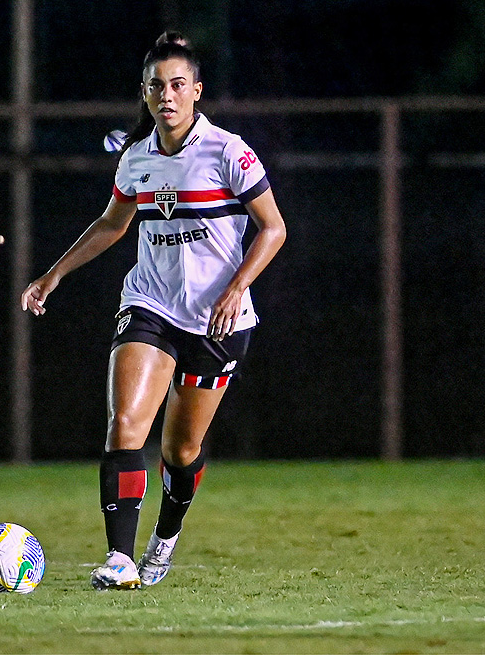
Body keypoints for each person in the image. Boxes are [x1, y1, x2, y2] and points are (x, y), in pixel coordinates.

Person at [20, 31, 287, 590]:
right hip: (150, 304)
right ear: (144, 95)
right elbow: (113, 225)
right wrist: (54, 273)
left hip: (216, 321)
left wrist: (237, 287)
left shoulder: (228, 152)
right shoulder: (136, 158)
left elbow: (274, 228)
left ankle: (164, 537)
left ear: (197, 92)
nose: (166, 95)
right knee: (126, 423)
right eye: (155, 86)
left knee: (180, 450)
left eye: (176, 85)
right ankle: (119, 559)